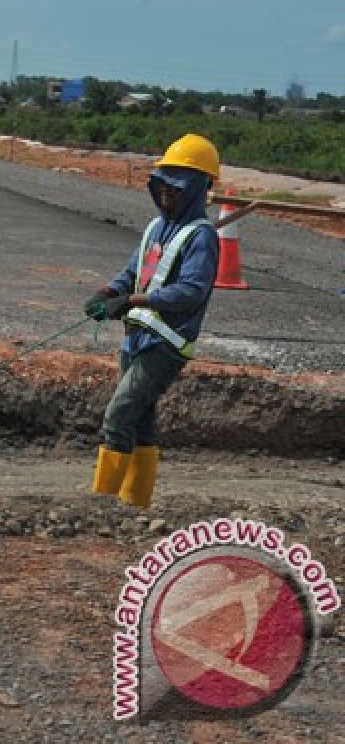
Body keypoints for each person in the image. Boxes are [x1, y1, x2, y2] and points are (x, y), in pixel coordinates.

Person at [84, 133, 221, 508]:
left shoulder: (202, 237)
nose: (166, 194)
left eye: (175, 188)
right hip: (136, 338)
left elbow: (190, 292)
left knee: (119, 415)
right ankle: (135, 504)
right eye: (162, 186)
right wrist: (109, 294)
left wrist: (133, 301)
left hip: (166, 346)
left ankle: (103, 505)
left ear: (198, 188)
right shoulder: (155, 228)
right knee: (141, 421)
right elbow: (132, 273)